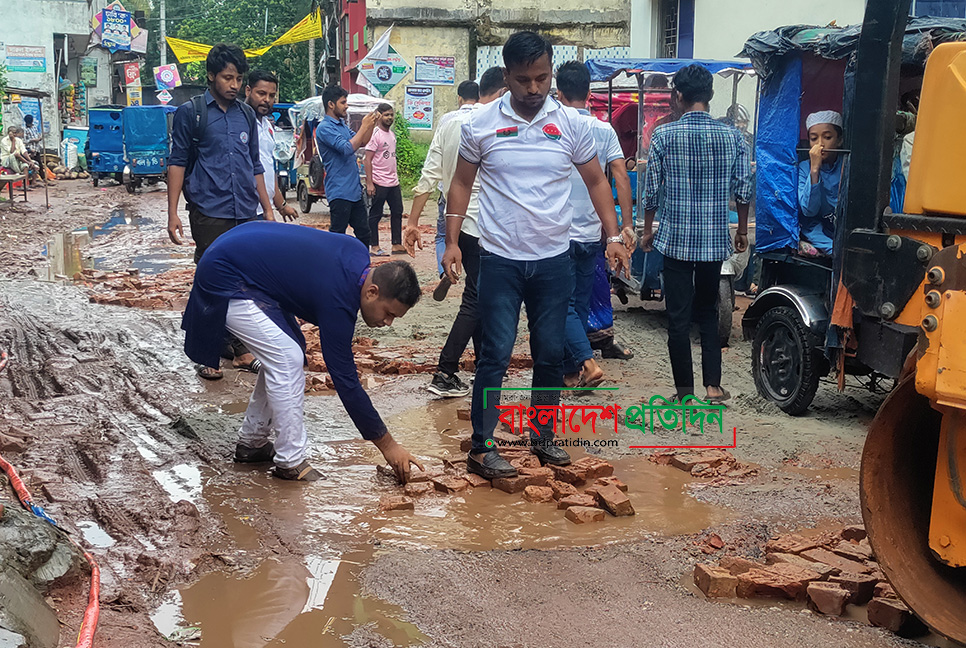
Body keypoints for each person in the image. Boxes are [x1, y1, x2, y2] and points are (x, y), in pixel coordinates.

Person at [444, 31, 630, 479]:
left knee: (549, 354)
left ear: (551, 73)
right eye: (524, 79)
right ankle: (481, 447)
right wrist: (451, 241)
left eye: (542, 78)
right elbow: (462, 184)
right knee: (495, 355)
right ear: (506, 76)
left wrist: (614, 235)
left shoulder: (570, 123)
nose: (534, 88)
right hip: (500, 260)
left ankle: (543, 437)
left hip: (554, 261)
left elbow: (596, 181)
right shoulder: (480, 124)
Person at [182, 222, 425, 482]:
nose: (388, 323)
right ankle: (291, 462)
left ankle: (252, 444)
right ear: (372, 291)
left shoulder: (357, 255)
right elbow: (345, 381)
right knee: (287, 357)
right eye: (388, 313)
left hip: (242, 259)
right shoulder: (338, 299)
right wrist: (388, 446)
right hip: (225, 273)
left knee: (286, 352)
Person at [642, 64, 751, 404]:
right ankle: (714, 387)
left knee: (677, 316)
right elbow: (744, 188)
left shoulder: (663, 136)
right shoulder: (732, 136)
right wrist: (742, 231)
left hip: (675, 240)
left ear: (677, 96)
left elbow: (651, 192)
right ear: (711, 96)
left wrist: (647, 231)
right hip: (713, 241)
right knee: (707, 311)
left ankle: (684, 392)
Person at [167, 43, 275, 381]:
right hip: (209, 212)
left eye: (238, 78)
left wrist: (268, 209)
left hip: (246, 211)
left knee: (246, 284)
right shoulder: (193, 112)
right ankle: (207, 353)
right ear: (211, 76)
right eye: (227, 77)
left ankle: (241, 351)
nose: (233, 84)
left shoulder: (246, 114)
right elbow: (177, 162)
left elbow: (254, 164)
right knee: (212, 282)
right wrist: (172, 213)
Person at [403, 66, 507, 398]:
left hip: (455, 222)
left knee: (479, 296)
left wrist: (412, 221)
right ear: (503, 92)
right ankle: (445, 371)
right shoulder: (495, 123)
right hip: (483, 223)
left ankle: (478, 365)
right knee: (478, 299)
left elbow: (429, 173)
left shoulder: (448, 122)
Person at [554, 61, 635, 388]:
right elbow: (620, 176)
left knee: (559, 306)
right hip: (591, 232)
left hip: (556, 233)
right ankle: (572, 370)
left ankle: (583, 364)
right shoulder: (604, 130)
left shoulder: (553, 125)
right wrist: (624, 226)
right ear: (589, 93)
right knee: (579, 303)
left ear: (557, 93)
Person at [432, 79, 481, 294]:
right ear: (478, 98)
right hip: (476, 196)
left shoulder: (447, 120)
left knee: (443, 236)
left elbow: (434, 161)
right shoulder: (483, 120)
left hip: (448, 191)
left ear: (459, 98)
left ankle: (445, 270)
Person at [315, 85, 378, 245]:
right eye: (343, 102)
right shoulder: (324, 128)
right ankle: (334, 266)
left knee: (364, 233)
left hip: (354, 191)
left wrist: (371, 126)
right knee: (338, 235)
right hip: (339, 191)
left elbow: (362, 141)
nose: (346, 106)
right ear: (331, 104)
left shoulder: (341, 125)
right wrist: (364, 126)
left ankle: (363, 266)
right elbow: (347, 148)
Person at [245, 69, 299, 222]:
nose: (267, 100)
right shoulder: (241, 123)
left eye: (271, 95)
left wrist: (281, 205)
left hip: (264, 209)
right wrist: (268, 210)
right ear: (248, 91)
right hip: (248, 209)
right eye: (261, 94)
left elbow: (269, 168)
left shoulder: (267, 126)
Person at [798, 110, 843, 257]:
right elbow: (809, 210)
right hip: (818, 231)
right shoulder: (805, 168)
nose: (820, 144)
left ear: (839, 140)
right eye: (813, 138)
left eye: (827, 137)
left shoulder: (847, 165)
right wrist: (815, 169)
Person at [364, 104, 404, 256]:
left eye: (391, 115)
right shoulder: (375, 135)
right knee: (375, 214)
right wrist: (369, 183)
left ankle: (396, 244)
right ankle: (374, 246)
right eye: (386, 115)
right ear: (379, 115)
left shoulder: (391, 135)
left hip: (393, 182)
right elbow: (367, 160)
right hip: (379, 182)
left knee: (397, 211)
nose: (390, 118)